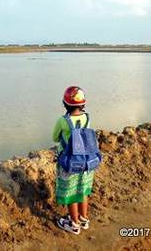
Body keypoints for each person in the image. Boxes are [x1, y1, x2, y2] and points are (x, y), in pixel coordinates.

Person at [52, 86, 95, 235]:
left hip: (69, 162)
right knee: (82, 189)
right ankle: (84, 219)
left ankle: (74, 224)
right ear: (83, 104)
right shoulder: (87, 118)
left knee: (71, 194)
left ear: (65, 104)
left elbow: (55, 137)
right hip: (86, 161)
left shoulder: (63, 121)